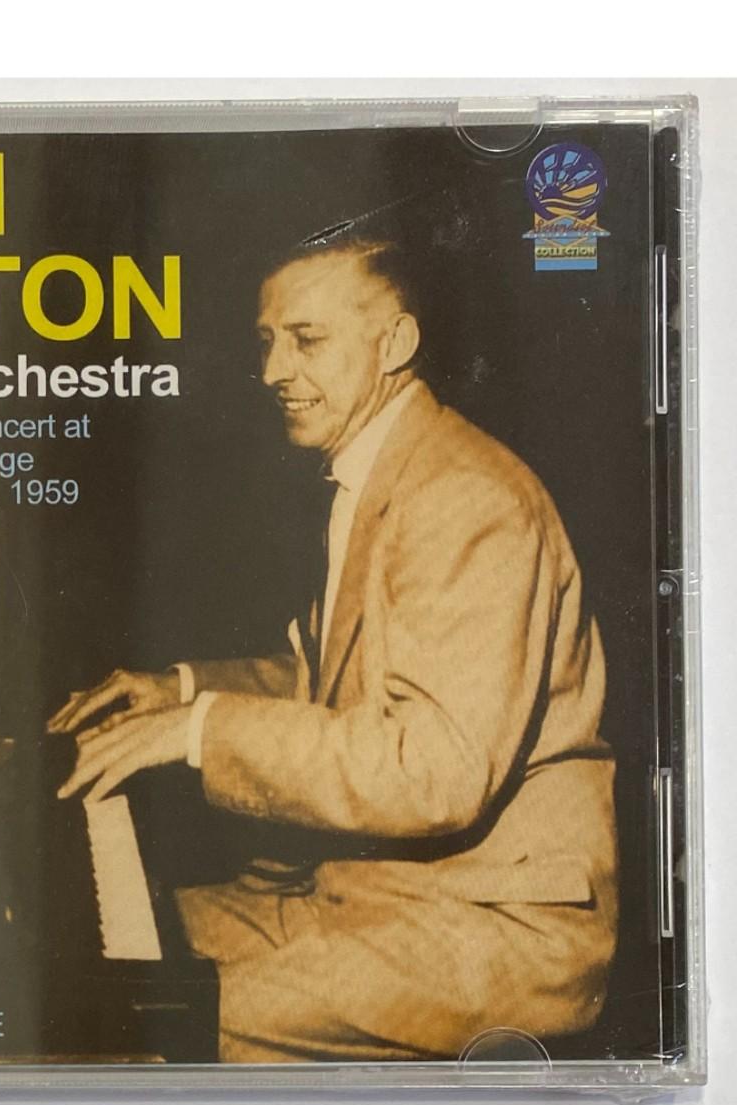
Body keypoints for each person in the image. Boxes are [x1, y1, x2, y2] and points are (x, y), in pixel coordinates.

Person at [48, 232, 618, 1063]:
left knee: (139, 1019)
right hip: (389, 893)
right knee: (95, 958)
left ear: (396, 343)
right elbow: (338, 685)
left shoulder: (466, 496)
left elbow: (432, 769)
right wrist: (181, 689)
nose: (273, 370)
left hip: (494, 928)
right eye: (268, 342)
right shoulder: (384, 472)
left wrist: (201, 730)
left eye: (307, 340)